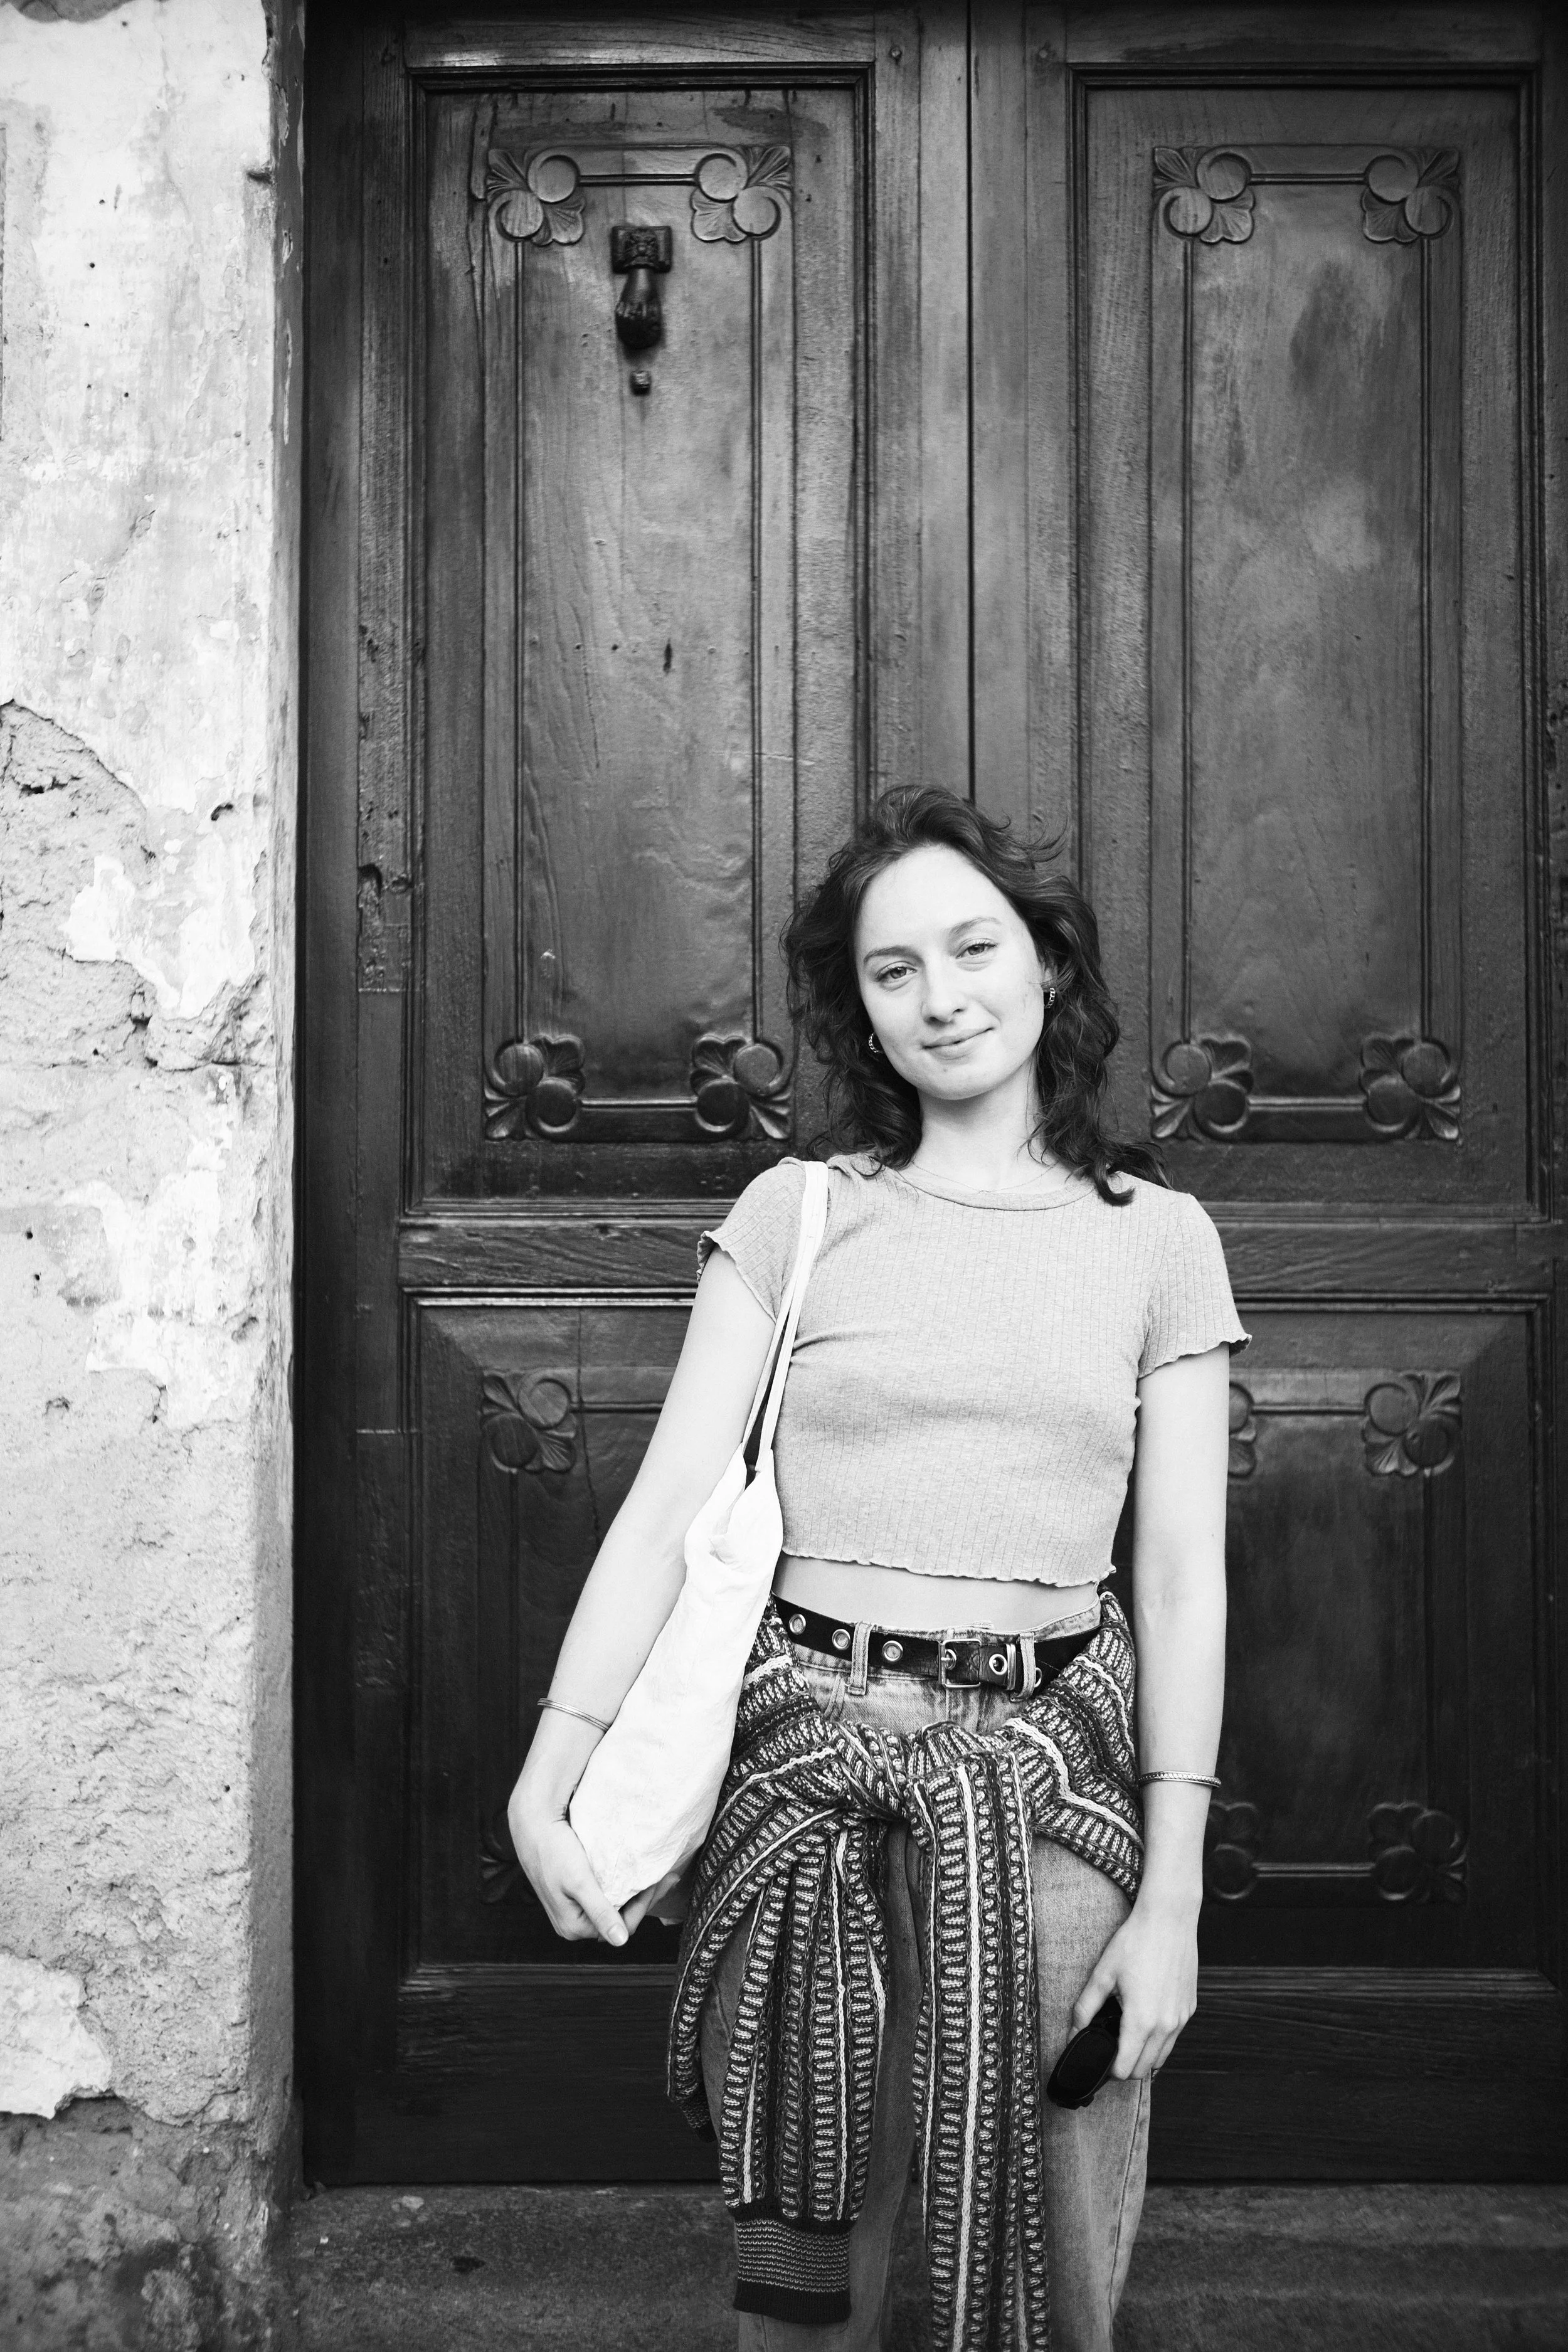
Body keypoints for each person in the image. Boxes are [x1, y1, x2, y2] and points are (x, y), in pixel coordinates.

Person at [509, 786, 1246, 2351]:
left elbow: (1181, 1577)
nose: (941, 995)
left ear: (1045, 963)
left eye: (973, 947)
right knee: (809, 2284)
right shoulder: (803, 1213)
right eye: (890, 969)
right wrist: (545, 1776)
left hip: (1050, 1801)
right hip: (806, 1790)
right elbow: (662, 1513)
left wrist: (1170, 1896)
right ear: (859, 1009)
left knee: (1060, 2259)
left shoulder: (1156, 1239)